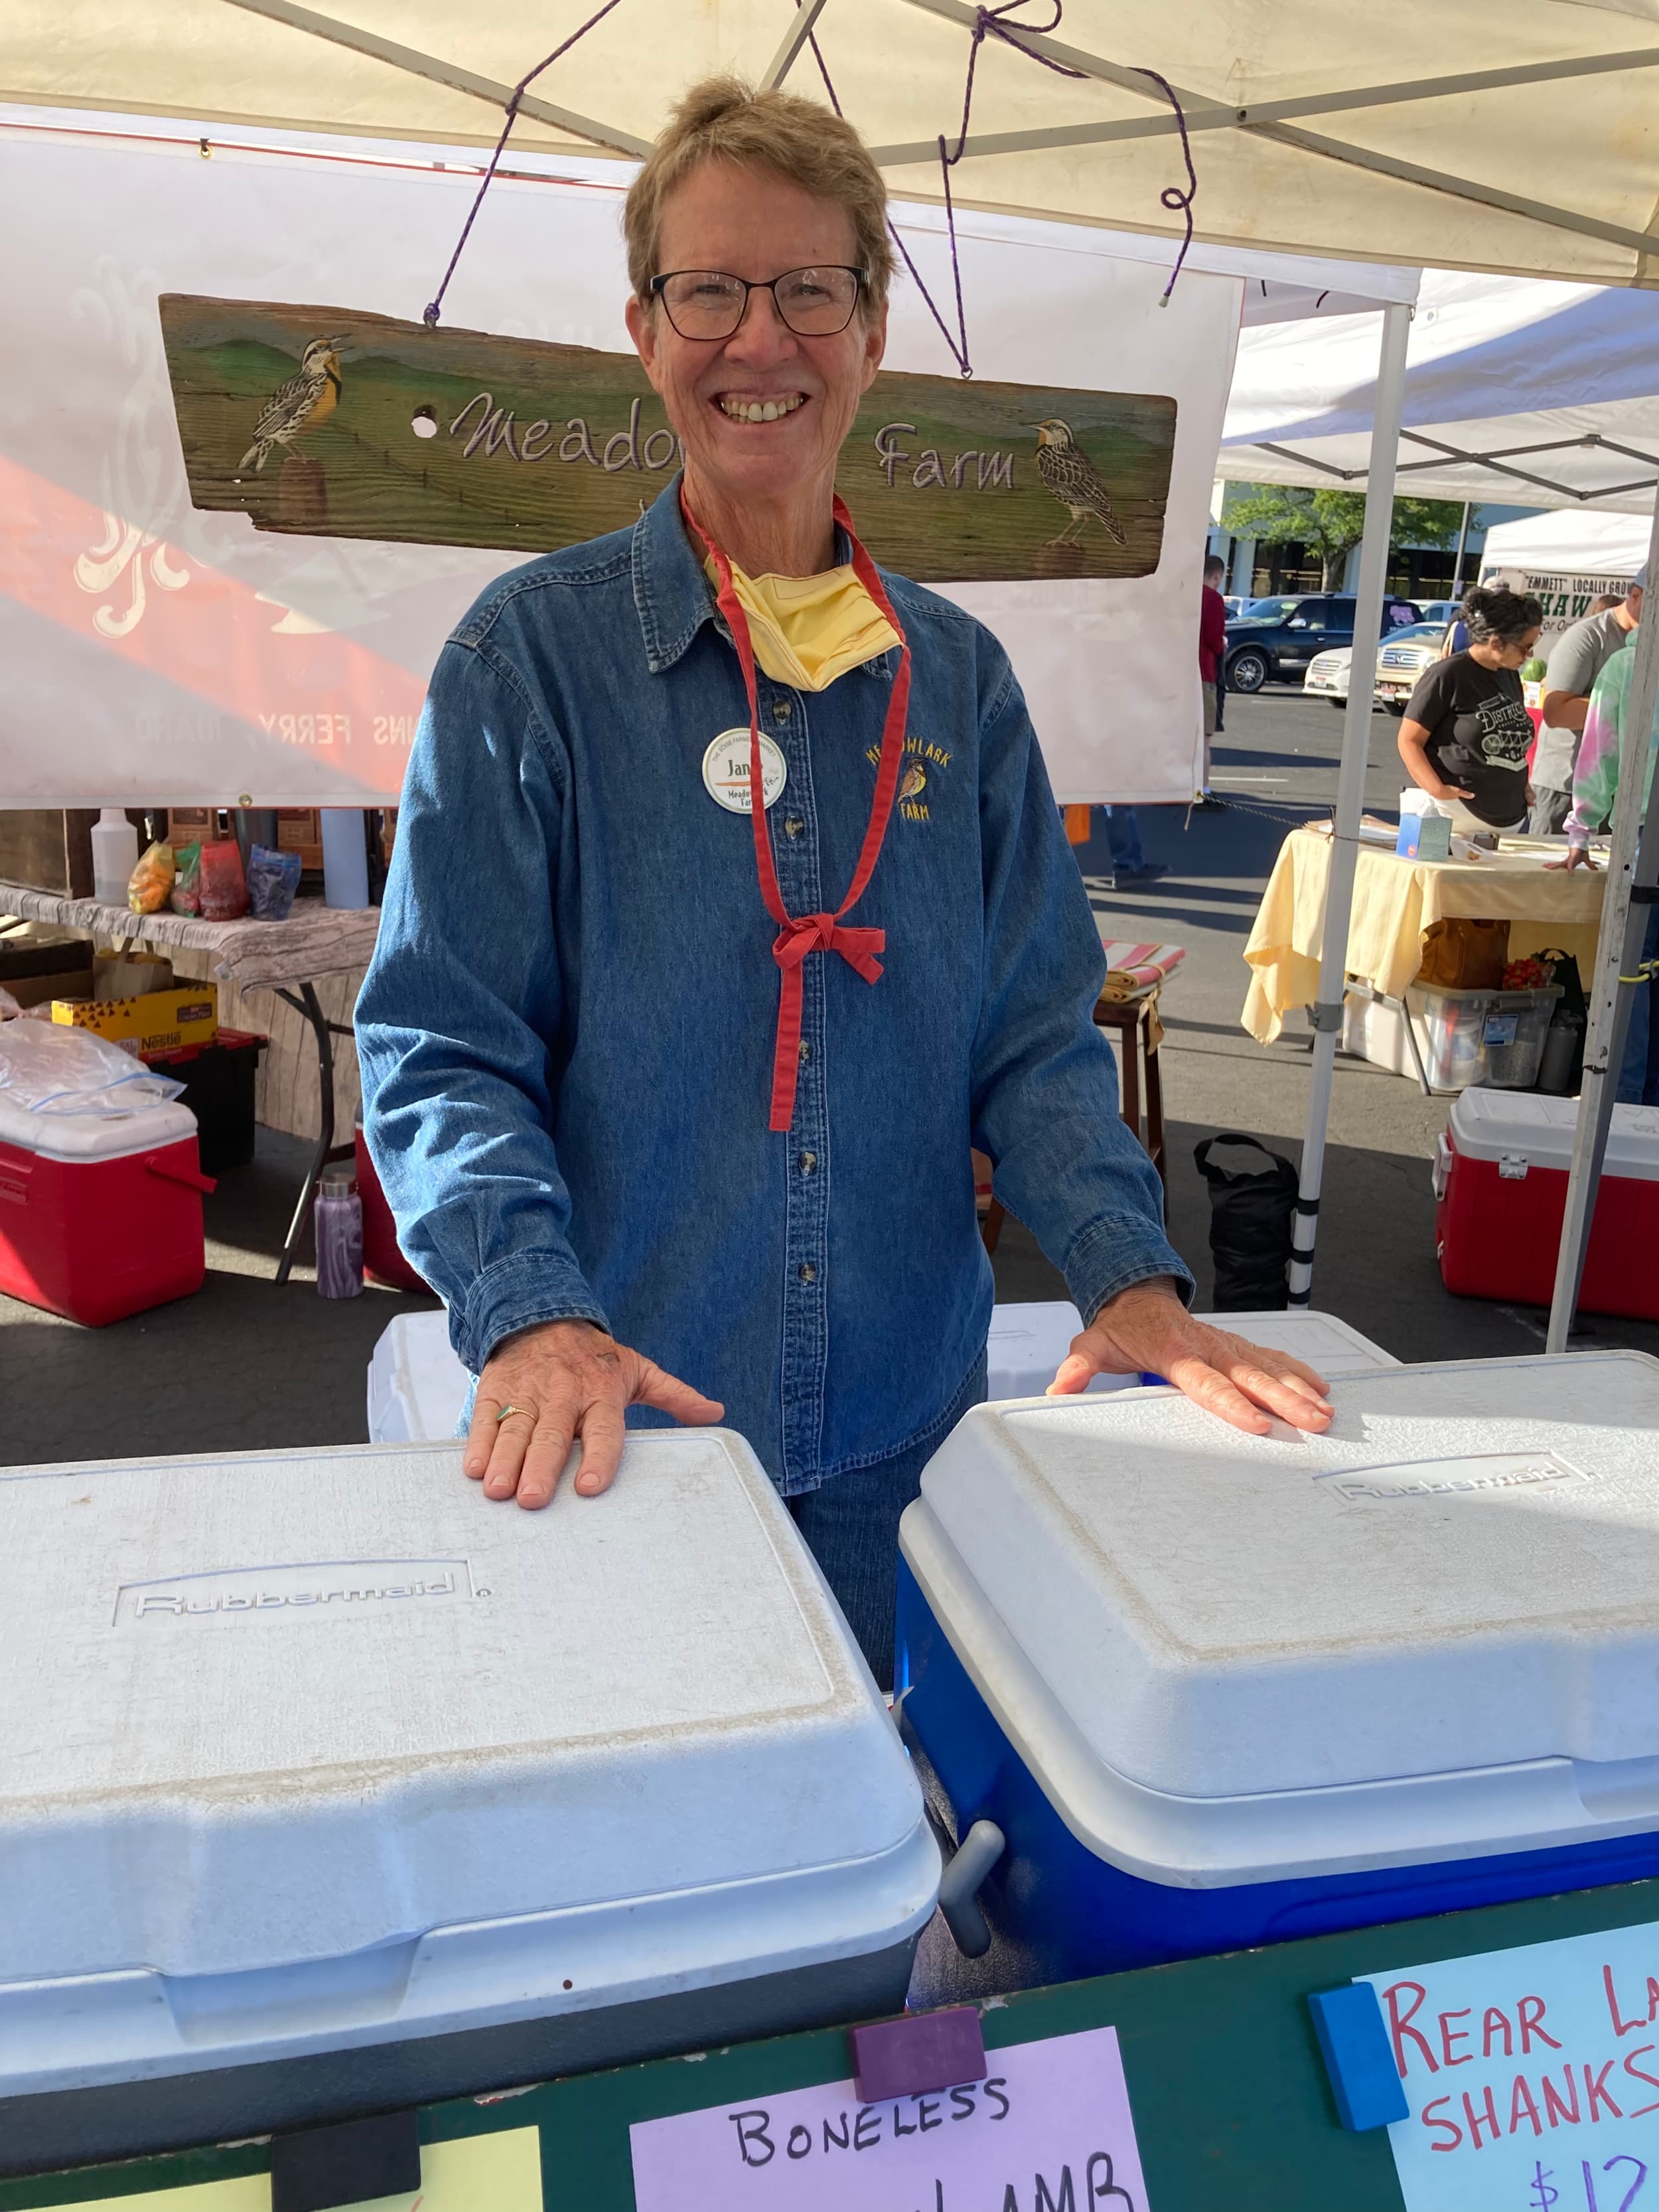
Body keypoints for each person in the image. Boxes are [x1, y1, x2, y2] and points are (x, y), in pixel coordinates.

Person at [356, 78, 1333, 1687]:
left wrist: (1128, 1279)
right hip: (621, 1425)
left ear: (872, 331)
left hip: (905, 1438)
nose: (762, 341)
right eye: (711, 290)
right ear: (645, 330)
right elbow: (443, 1043)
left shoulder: (959, 681)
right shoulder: (529, 662)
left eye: (812, 288)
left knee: (894, 1854)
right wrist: (529, 1312)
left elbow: (1032, 1039)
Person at [1547, 627, 1658, 1106]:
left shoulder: (1628, 666)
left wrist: (1581, 829)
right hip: (1640, 832)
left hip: (1644, 836)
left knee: (1632, 969)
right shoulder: (1628, 665)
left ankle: (1625, 1096)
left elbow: (1599, 753)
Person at [1396, 586, 1544, 834]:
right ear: (1496, 642)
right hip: (1453, 820)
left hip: (1508, 821)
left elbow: (1508, 736)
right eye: (1525, 646)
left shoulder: (1509, 674)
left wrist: (1521, 782)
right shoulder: (1448, 674)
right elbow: (1408, 740)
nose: (1530, 654)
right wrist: (1438, 790)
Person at [1529, 568, 1644, 836]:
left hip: (1617, 791)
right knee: (1550, 875)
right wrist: (1618, 702)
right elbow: (1556, 712)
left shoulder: (1649, 642)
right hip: (1565, 787)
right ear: (1635, 596)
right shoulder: (1587, 636)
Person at [1199, 553, 1227, 797]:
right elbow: (1214, 640)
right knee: (1203, 738)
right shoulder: (1214, 600)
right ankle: (1201, 790)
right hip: (1205, 673)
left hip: (1182, 673)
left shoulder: (1186, 595)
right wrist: (1222, 645)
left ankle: (1175, 789)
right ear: (1217, 576)